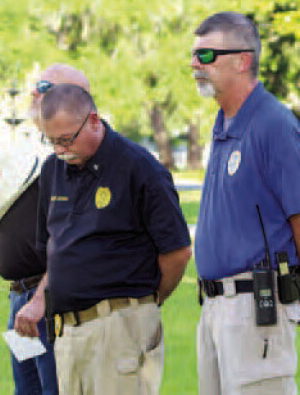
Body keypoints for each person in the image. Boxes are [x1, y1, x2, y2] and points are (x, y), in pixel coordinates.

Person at [191, 12, 300, 395]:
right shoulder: (224, 123)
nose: (194, 65)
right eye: (193, 55)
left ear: (242, 60)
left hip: (255, 310)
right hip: (216, 307)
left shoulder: (273, 123)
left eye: (205, 56)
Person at [33, 83, 191, 395]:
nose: (60, 150)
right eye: (52, 141)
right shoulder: (52, 169)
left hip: (120, 325)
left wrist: (144, 303)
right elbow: (52, 247)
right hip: (67, 329)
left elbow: (177, 252)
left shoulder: (140, 168)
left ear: (93, 120)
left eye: (66, 140)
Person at [0, 64, 90, 395]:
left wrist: (39, 300)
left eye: (45, 85)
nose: (34, 91)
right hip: (20, 303)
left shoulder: (76, 156)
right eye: (35, 85)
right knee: (28, 391)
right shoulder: (32, 152)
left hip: (48, 304)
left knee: (55, 389)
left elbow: (73, 241)